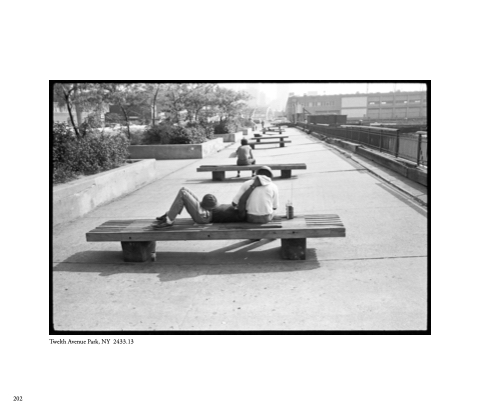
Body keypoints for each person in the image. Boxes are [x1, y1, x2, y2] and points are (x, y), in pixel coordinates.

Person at [153, 175, 265, 228]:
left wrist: (252, 187)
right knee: (184, 189)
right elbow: (242, 200)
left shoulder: (242, 212)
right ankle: (170, 214)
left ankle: (169, 220)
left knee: (183, 194)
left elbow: (243, 199)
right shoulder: (241, 208)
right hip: (206, 211)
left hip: (204, 217)